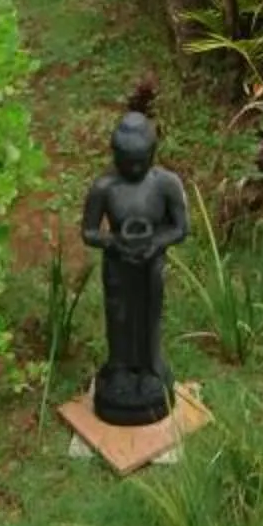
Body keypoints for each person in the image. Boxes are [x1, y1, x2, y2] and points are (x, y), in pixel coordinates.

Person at [81, 90, 190, 425]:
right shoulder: (105, 188)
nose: (132, 168)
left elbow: (180, 228)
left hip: (150, 265)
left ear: (152, 154)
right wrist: (114, 242)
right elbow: (89, 232)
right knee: (119, 316)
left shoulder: (165, 184)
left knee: (148, 314)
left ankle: (149, 367)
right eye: (125, 161)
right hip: (118, 265)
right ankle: (119, 367)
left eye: (139, 161)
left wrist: (155, 244)